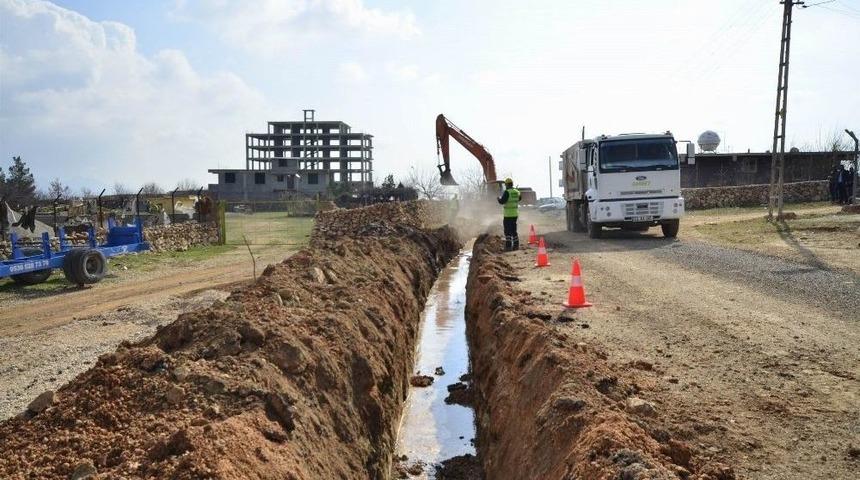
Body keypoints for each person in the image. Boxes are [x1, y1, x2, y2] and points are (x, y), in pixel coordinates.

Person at [497, 178, 521, 251]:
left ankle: (508, 246)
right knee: (514, 230)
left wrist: (498, 199)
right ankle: (516, 245)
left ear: (507, 184)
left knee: (507, 231)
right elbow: (519, 199)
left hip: (508, 215)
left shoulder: (507, 192)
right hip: (515, 214)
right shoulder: (517, 192)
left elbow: (502, 201)